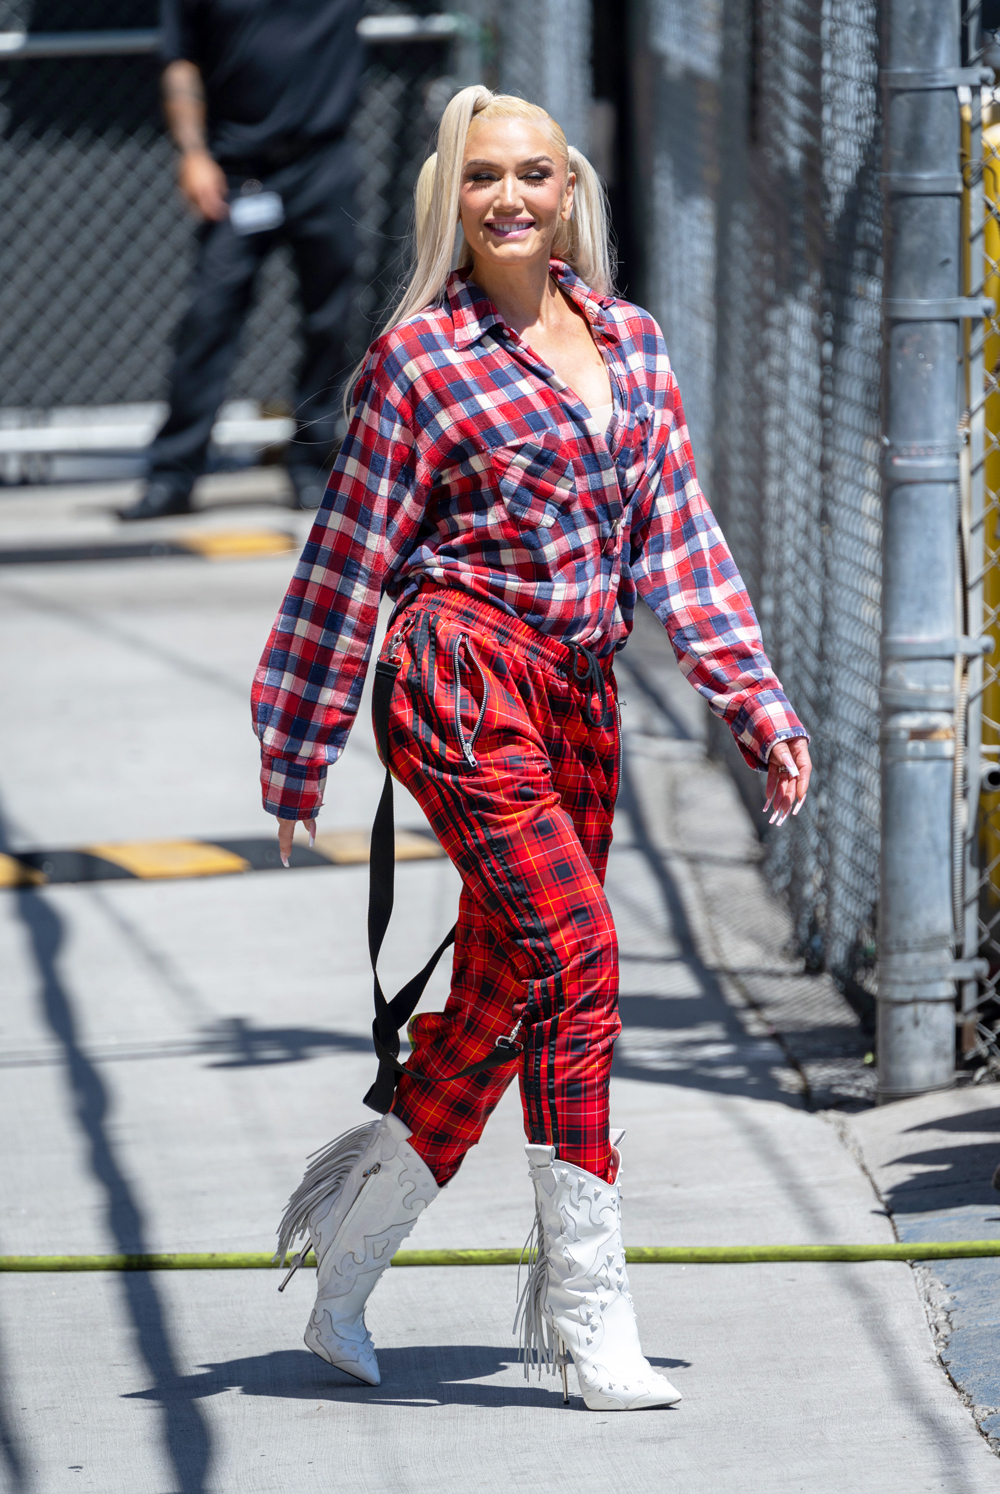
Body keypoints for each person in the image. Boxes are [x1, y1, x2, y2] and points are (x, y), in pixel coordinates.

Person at [252, 85, 812, 1410]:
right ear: (455, 193)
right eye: (488, 175)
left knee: (503, 1004)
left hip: (576, 695)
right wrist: (297, 744)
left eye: (537, 175)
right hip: (459, 674)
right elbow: (346, 563)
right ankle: (590, 1319)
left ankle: (344, 1259)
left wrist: (758, 706)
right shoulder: (419, 363)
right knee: (580, 951)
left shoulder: (629, 339)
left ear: (571, 192)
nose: (513, 197)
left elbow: (681, 543)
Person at [120, 0, 366, 522]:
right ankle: (173, 474)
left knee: (330, 322)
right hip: (236, 171)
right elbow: (180, 58)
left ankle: (312, 465)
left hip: (323, 163)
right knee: (208, 320)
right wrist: (191, 153)